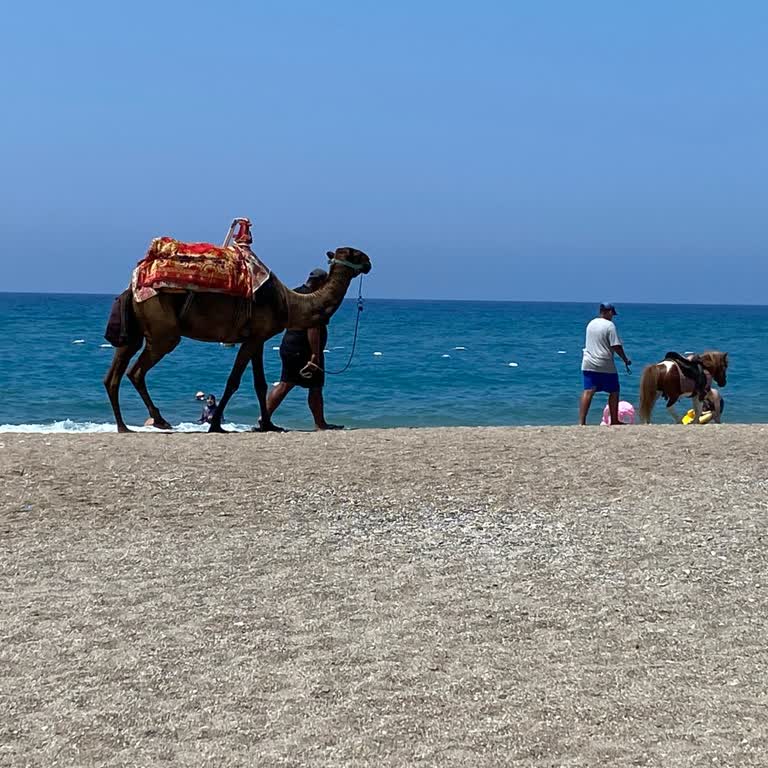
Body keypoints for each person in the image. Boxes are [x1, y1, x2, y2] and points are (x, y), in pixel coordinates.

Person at [263, 268, 343, 431]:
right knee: (301, 386)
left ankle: (264, 418)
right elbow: (313, 327)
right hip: (303, 348)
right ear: (320, 282)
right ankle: (319, 424)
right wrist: (315, 354)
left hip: (289, 344)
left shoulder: (294, 293)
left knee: (293, 384)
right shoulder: (314, 299)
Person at [579, 302, 632, 425]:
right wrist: (625, 359)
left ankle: (581, 422)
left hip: (588, 362)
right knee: (614, 391)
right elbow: (616, 346)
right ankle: (614, 420)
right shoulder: (609, 326)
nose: (612, 316)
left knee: (588, 391)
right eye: (612, 313)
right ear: (608, 312)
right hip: (604, 363)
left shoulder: (591, 324)